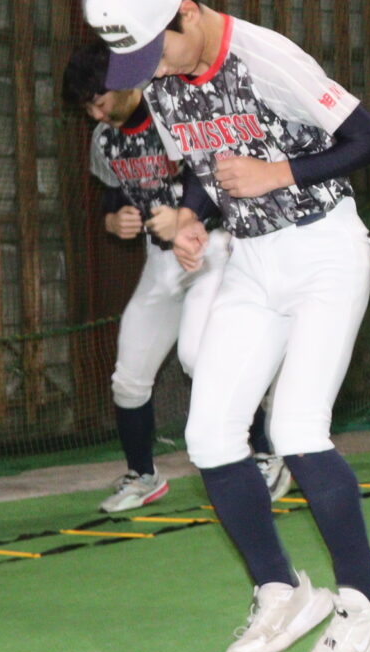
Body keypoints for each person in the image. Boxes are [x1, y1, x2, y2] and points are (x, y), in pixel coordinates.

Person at [81, 0, 370, 652]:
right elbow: (208, 167)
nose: (150, 70)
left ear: (188, 13)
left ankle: (368, 596)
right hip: (252, 261)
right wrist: (193, 216)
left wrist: (278, 173)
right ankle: (282, 591)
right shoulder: (161, 77)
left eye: (156, 48)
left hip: (324, 252)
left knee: (298, 429)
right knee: (209, 435)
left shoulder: (266, 57)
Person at [64, 43, 285, 513]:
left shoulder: (172, 113)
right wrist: (113, 221)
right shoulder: (104, 139)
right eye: (87, 109)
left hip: (213, 250)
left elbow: (223, 177)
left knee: (199, 356)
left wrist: (187, 216)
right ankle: (143, 475)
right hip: (161, 261)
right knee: (129, 376)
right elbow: (114, 196)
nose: (96, 114)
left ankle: (265, 452)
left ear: (123, 83)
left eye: (99, 101)